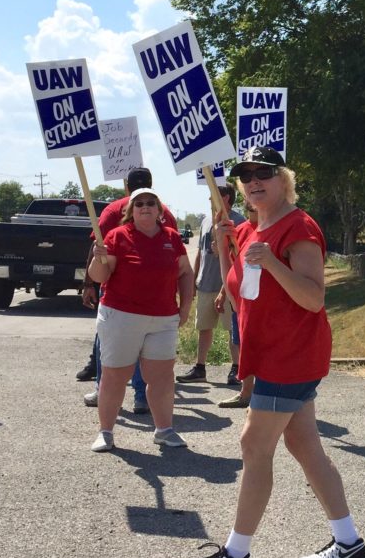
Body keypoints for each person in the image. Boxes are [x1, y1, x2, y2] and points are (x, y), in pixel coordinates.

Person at [176, 146, 365, 558]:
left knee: (253, 445)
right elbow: (240, 289)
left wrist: (274, 264)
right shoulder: (251, 228)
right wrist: (227, 246)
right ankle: (349, 544)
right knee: (305, 445)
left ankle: (235, 557)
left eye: (265, 173)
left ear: (285, 179)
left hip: (292, 354)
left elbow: (314, 297)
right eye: (246, 175)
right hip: (272, 354)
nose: (254, 181)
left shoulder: (299, 228)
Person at [86, 188, 193, 452]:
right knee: (115, 375)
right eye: (139, 204)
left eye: (151, 203)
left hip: (163, 318)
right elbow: (100, 276)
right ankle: (106, 432)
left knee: (162, 377)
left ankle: (164, 430)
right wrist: (99, 259)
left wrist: (185, 307)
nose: (145, 207)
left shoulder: (172, 238)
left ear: (159, 211)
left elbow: (185, 273)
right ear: (130, 211)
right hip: (121, 316)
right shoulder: (117, 236)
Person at [80, 167, 178, 414]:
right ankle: (140, 396)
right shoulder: (162, 209)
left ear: (126, 186)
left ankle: (103, 390)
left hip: (116, 297)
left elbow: (96, 245)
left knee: (108, 348)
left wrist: (88, 284)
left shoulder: (113, 209)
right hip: (155, 300)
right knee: (144, 351)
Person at [177, 184, 245, 386]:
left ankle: (236, 368)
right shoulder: (207, 220)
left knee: (232, 330)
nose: (209, 200)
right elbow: (199, 253)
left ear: (227, 199)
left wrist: (222, 251)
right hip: (205, 283)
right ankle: (200, 368)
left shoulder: (238, 222)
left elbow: (239, 257)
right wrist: (195, 280)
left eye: (214, 196)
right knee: (204, 327)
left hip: (228, 286)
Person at [218, 200, 258, 409]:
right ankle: (246, 392)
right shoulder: (240, 231)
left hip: (261, 301)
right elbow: (233, 267)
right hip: (239, 300)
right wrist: (224, 292)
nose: (252, 205)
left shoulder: (270, 228)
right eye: (248, 202)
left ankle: (266, 394)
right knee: (243, 344)